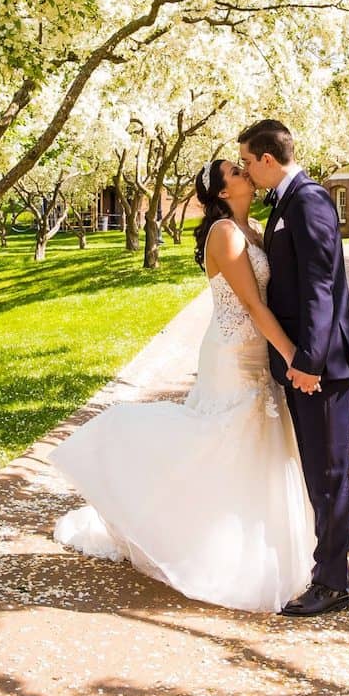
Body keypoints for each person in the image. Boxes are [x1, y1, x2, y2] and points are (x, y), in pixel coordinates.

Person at [48, 158, 314, 613]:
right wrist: (294, 356)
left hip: (254, 349)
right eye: (235, 170)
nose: (244, 171)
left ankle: (260, 538)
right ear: (223, 191)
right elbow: (250, 304)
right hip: (232, 353)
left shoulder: (251, 231)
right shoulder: (225, 235)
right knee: (225, 438)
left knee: (258, 442)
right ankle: (208, 546)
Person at [237, 118, 349, 617]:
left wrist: (308, 360)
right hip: (308, 364)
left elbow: (321, 286)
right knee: (319, 472)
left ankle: (333, 583)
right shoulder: (287, 203)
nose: (248, 171)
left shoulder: (309, 201)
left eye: (249, 161)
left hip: (324, 366)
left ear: (268, 159)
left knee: (329, 474)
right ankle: (328, 571)